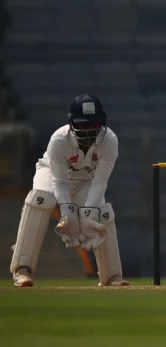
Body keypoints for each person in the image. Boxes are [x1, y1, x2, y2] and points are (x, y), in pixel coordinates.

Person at [10, 94, 129, 287]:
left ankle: (111, 276)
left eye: (93, 125)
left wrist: (88, 216)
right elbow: (59, 182)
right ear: (72, 123)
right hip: (52, 174)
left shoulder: (110, 140)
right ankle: (22, 269)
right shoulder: (59, 140)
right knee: (41, 199)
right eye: (83, 125)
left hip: (86, 180)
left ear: (102, 123)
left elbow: (100, 182)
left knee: (102, 213)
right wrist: (68, 215)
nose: (88, 130)